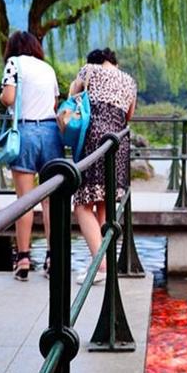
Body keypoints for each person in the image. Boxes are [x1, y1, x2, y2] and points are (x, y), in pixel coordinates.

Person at [68, 48, 137, 284]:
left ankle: (101, 266)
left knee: (81, 204)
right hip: (118, 143)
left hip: (94, 140)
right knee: (103, 203)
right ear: (113, 61)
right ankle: (102, 262)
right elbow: (129, 115)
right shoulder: (129, 80)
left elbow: (72, 96)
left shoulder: (89, 70)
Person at [0, 31, 63, 282]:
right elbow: (55, 103)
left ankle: (23, 258)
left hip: (24, 132)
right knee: (49, 201)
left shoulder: (14, 63)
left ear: (13, 48)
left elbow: (9, 97)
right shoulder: (48, 68)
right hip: (50, 132)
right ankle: (53, 258)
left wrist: (2, 97)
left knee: (24, 200)